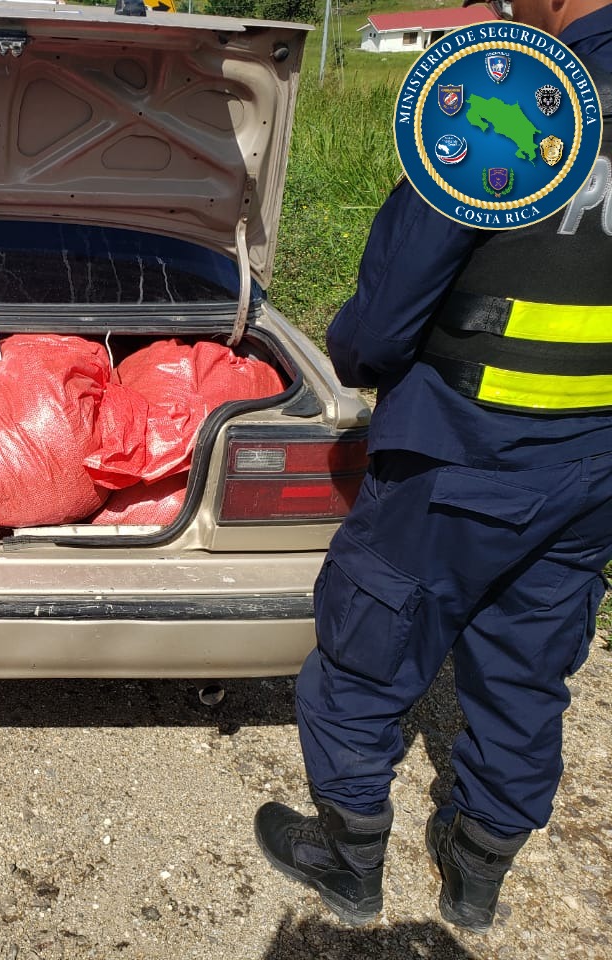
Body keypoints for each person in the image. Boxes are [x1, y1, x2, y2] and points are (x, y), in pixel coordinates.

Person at [253, 0, 612, 935]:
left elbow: (379, 323)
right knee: (531, 666)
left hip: (460, 450)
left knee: (370, 649)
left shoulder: (525, 92)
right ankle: (475, 875)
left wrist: (362, 370)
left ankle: (349, 858)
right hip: (594, 470)